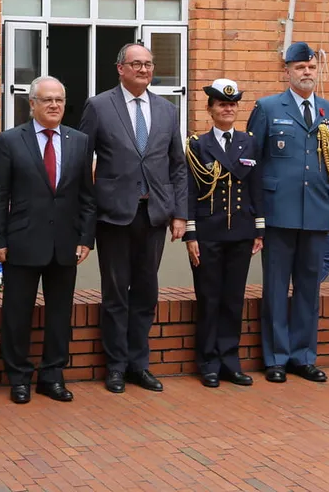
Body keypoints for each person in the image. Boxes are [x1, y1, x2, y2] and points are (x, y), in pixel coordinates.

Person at [79, 42, 187, 394]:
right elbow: (83, 164)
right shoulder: (98, 106)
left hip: (154, 214)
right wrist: (87, 216)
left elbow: (177, 167)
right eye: (136, 64)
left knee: (146, 292)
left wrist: (180, 214)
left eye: (149, 64)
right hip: (114, 216)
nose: (143, 70)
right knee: (115, 294)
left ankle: (139, 364)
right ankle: (115, 366)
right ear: (120, 68)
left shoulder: (167, 111)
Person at [0, 76, 95, 404]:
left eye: (59, 100)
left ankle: (52, 376)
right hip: (22, 241)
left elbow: (87, 196)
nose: (53, 105)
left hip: (65, 243)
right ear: (31, 103)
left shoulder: (79, 141)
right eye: (46, 99)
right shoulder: (10, 140)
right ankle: (19, 378)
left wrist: (86, 238)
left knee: (60, 314)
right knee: (17, 313)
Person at [246, 42, 329, 384]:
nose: (307, 72)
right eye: (299, 67)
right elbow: (252, 162)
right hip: (277, 211)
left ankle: (304, 356)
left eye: (311, 67)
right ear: (286, 71)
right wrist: (255, 213)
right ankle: (275, 357)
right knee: (275, 287)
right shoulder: (268, 107)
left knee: (309, 287)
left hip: (316, 210)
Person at [183, 79, 264, 389]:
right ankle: (208, 362)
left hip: (241, 232)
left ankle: (230, 361)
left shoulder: (249, 143)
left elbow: (256, 186)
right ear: (210, 108)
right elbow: (189, 191)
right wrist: (191, 235)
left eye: (232, 104)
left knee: (233, 300)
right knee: (209, 299)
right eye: (221, 104)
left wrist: (259, 228)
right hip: (208, 233)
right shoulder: (197, 145)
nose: (227, 108)